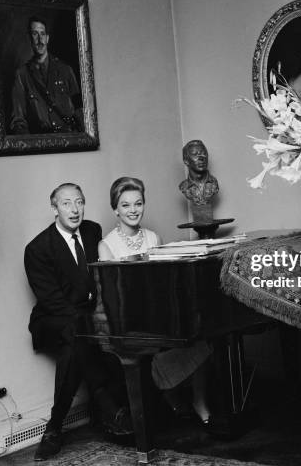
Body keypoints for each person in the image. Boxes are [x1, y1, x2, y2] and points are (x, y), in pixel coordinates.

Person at [25, 183, 132, 461]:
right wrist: (91, 324)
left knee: (74, 349)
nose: (74, 209)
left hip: (86, 317)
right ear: (54, 209)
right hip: (53, 319)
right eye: (66, 203)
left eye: (79, 202)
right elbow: (53, 302)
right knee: (78, 334)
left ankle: (54, 427)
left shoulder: (92, 230)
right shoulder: (38, 248)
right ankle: (107, 407)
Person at [98, 177, 214, 427]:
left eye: (138, 203)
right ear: (115, 209)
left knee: (199, 335)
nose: (133, 210)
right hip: (131, 320)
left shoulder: (153, 238)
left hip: (159, 313)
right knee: (163, 346)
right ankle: (170, 394)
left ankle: (199, 400)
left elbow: (164, 285)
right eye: (126, 205)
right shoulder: (106, 246)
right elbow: (113, 299)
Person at [10, 16, 83, 134]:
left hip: (70, 139)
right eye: (35, 34)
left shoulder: (66, 70)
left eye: (42, 34)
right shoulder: (22, 75)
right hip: (41, 144)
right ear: (29, 38)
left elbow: (80, 110)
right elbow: (18, 121)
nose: (40, 39)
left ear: (47, 38)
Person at [178, 140, 219, 206]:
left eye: (204, 153)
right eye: (195, 154)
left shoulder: (213, 183)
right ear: (186, 161)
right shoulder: (184, 187)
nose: (201, 158)